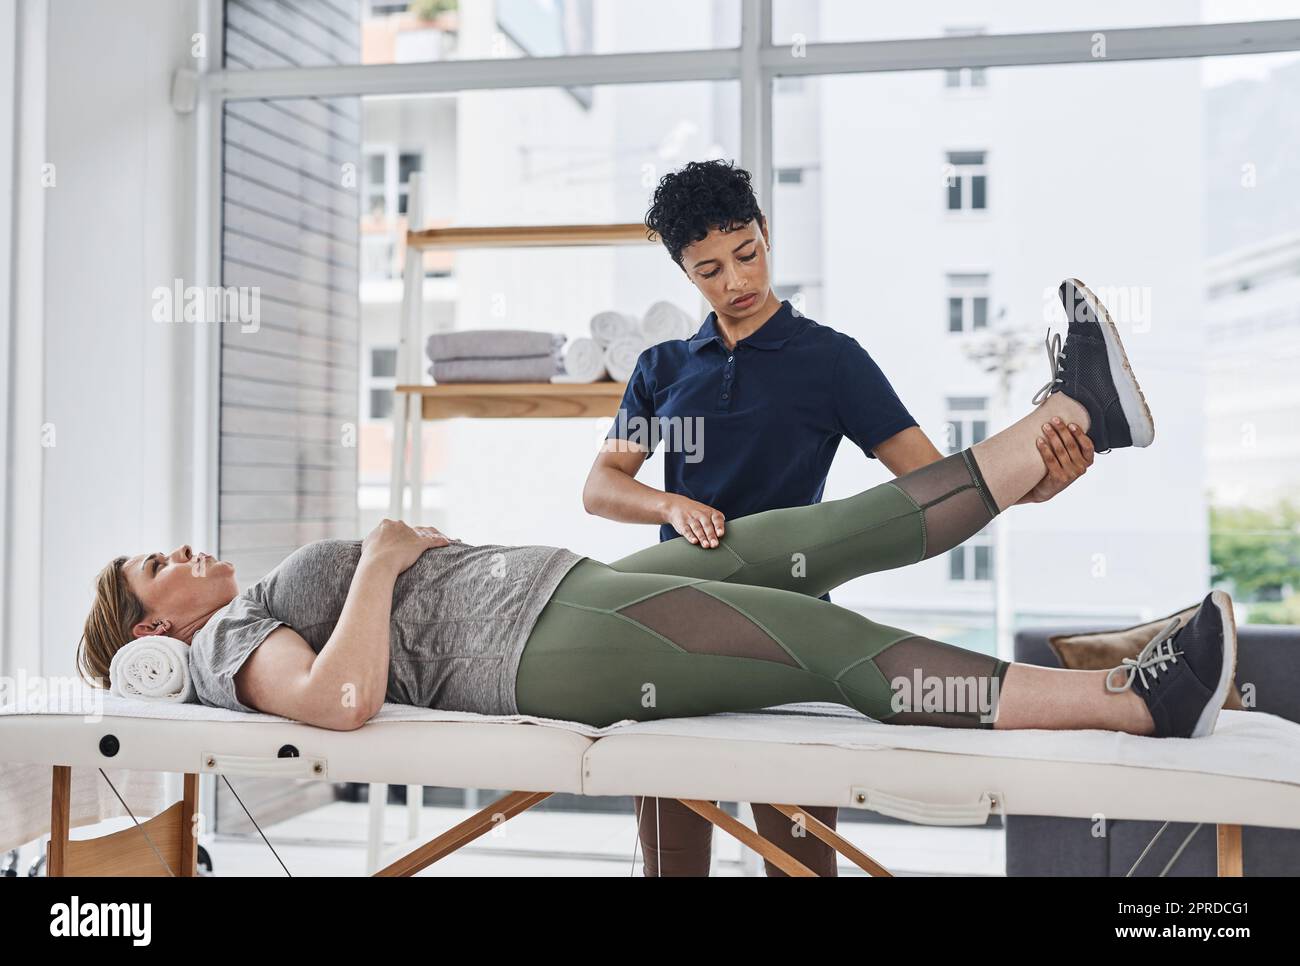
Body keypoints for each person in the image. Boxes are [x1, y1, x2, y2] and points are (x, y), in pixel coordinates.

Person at [76, 274, 1234, 880]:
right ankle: (1134, 701)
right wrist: (382, 557)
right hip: (542, 650)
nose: (179, 552)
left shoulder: (252, 609)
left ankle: (1079, 414)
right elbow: (339, 704)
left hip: (564, 590)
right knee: (823, 648)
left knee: (816, 541)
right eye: (154, 567)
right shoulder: (234, 646)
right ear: (150, 639)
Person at [580, 158, 1102, 875]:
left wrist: (1038, 480)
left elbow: (930, 483)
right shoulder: (662, 368)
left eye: (746, 254)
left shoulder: (831, 361)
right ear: (684, 272)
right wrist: (669, 502)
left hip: (792, 631)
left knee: (799, 863)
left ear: (766, 233)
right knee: (672, 866)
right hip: (675, 629)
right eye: (708, 271)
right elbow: (602, 486)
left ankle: (1077, 407)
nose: (735, 282)